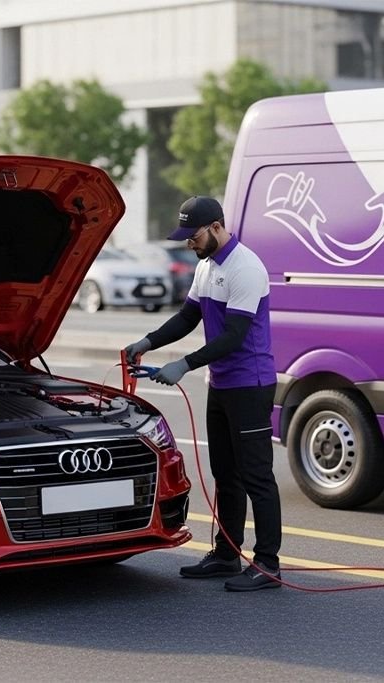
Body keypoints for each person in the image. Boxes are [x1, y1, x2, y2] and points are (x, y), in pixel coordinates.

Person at [123, 196, 281, 592]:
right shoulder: (206, 267)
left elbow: (233, 336)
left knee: (257, 476)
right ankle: (227, 554)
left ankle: (267, 564)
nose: (189, 245)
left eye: (192, 237)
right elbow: (187, 317)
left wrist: (183, 365)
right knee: (225, 474)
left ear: (215, 227)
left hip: (251, 385)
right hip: (222, 385)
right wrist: (148, 342)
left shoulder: (247, 267)